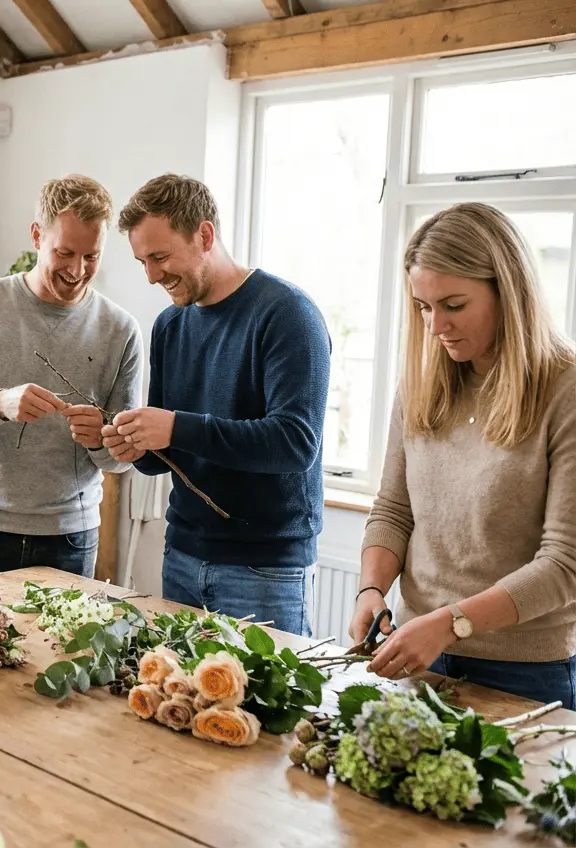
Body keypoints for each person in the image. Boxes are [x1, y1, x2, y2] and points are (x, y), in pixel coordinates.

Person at [350, 203, 576, 707]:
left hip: (523, 672)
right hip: (417, 650)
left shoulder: (566, 389)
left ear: (508, 292)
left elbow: (565, 564)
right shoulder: (421, 381)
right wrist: (371, 589)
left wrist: (451, 623)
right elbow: (394, 510)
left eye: (453, 305)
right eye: (423, 307)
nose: (435, 327)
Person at [103, 174, 331, 636]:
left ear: (204, 236)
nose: (152, 276)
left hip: (265, 571)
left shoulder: (287, 314)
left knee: (266, 688)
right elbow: (168, 454)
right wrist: (135, 445)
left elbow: (295, 442)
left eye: (160, 257)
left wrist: (174, 427)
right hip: (181, 557)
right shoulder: (169, 326)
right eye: (143, 262)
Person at [0, 174, 143, 578]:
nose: (77, 270)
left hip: (71, 538)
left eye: (91, 256)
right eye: (65, 252)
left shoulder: (121, 330)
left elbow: (122, 459)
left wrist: (101, 439)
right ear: (37, 235)